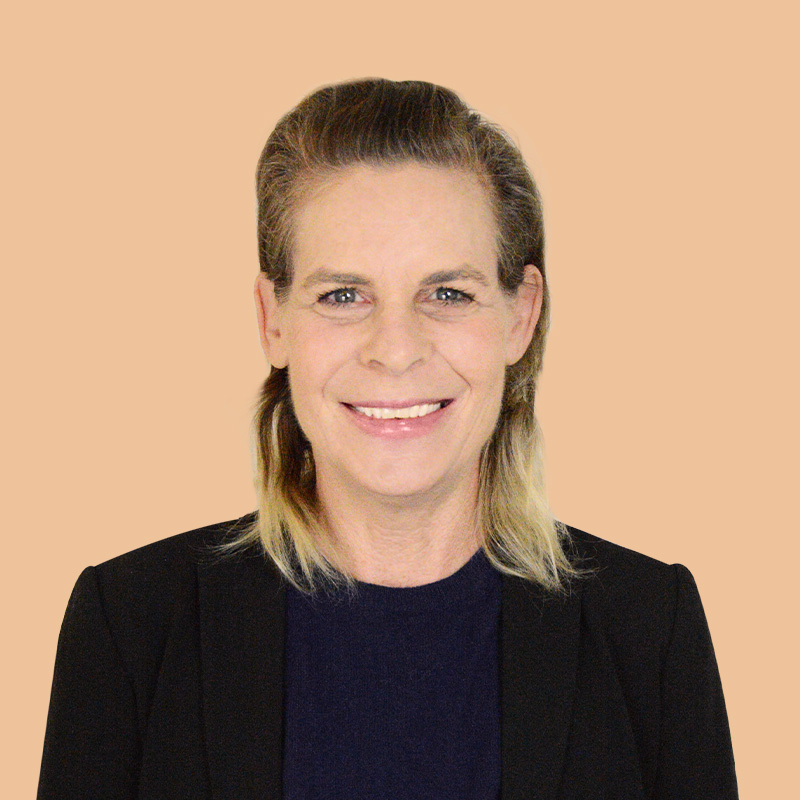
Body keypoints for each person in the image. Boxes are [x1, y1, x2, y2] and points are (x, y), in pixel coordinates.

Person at [37, 78, 738, 799]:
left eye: (448, 294)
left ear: (520, 316)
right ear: (273, 319)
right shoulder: (128, 628)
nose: (394, 349)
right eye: (343, 295)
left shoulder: (651, 630)